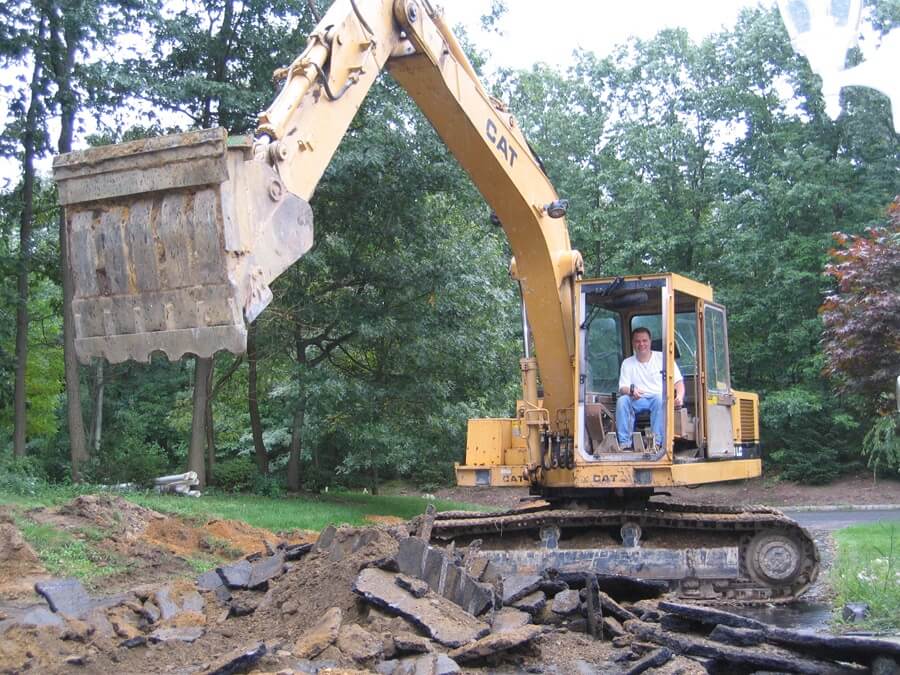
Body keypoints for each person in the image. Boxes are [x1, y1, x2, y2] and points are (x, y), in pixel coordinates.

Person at [616, 327, 684, 449]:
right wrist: (631, 391)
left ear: (650, 341)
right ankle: (625, 443)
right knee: (622, 401)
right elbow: (622, 388)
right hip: (637, 400)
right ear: (633, 343)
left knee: (660, 399)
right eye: (637, 341)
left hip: (658, 399)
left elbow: (678, 382)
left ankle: (656, 443)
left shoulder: (664, 358)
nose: (641, 344)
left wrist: (679, 396)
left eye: (644, 340)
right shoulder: (627, 363)